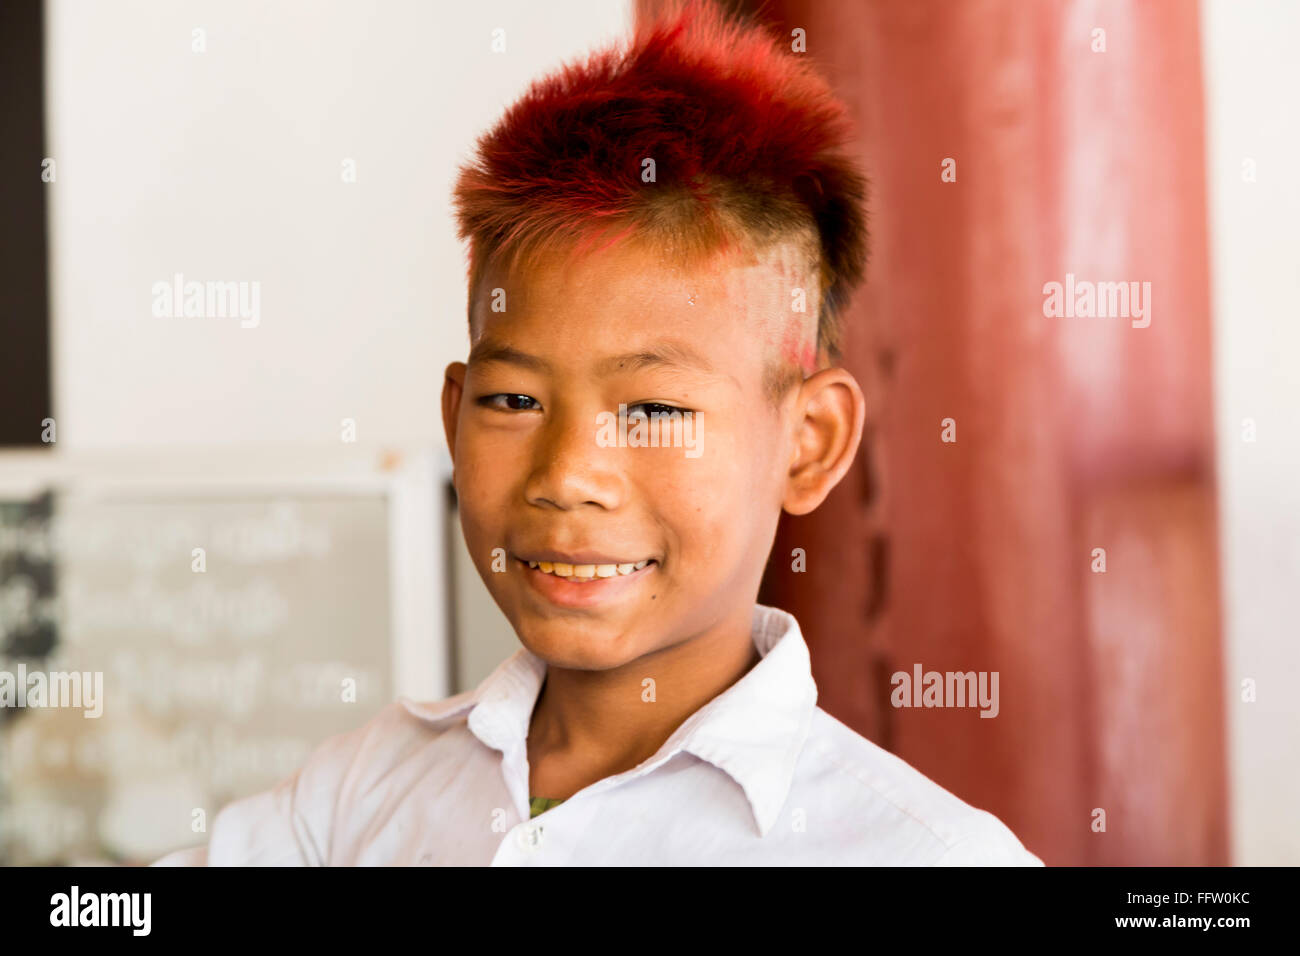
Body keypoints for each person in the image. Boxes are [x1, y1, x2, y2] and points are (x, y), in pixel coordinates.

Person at [155, 0, 1042, 866]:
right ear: (454, 418)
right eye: (512, 402)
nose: (569, 475)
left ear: (808, 440)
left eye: (655, 411)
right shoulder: (356, 798)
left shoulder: (920, 852)